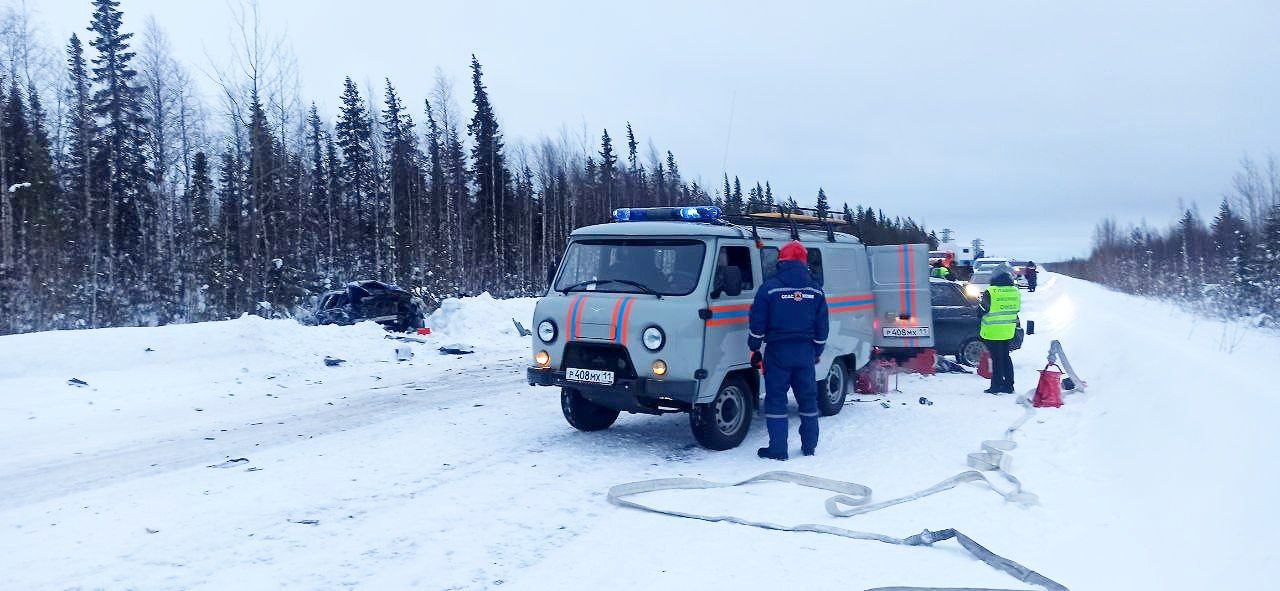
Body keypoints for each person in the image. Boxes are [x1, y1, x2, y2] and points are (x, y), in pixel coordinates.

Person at [748, 240, 829, 460]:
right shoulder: (815, 290)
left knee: (776, 400)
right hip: (805, 353)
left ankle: (778, 449)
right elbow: (822, 327)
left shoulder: (769, 288)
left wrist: (754, 346)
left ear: (781, 261)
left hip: (778, 352)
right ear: (804, 262)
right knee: (808, 400)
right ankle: (809, 446)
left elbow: (757, 323)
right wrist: (816, 351)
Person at [979, 271, 1021, 394]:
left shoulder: (991, 292)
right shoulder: (1015, 291)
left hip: (993, 331)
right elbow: (1016, 309)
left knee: (996, 359)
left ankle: (996, 386)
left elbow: (982, 309)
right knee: (1006, 357)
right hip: (1008, 331)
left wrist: (978, 311)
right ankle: (1009, 385)